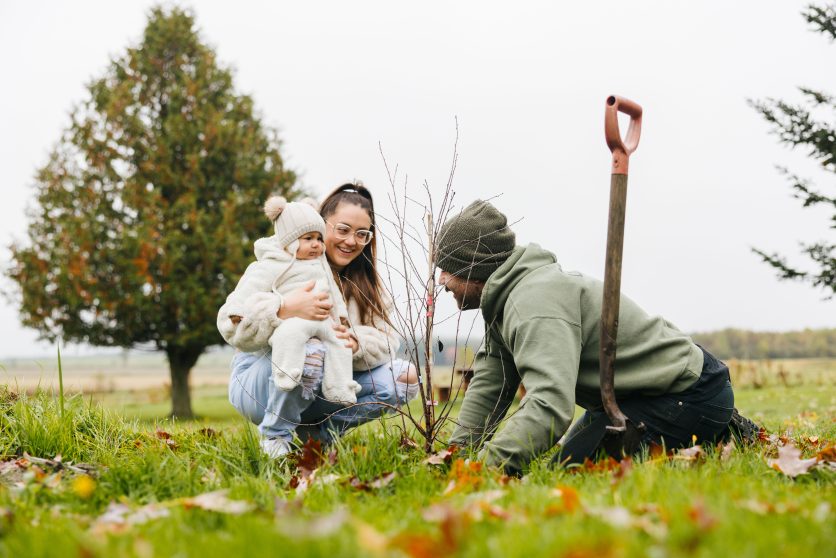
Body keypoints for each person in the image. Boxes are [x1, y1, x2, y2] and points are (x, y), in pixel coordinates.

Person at [436, 199, 746, 475]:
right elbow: (493, 382)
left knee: (569, 471)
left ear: (473, 266)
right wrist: (456, 457)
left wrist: (481, 471)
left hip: (685, 393)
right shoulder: (505, 301)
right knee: (569, 460)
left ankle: (716, 425)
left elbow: (549, 407)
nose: (441, 280)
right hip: (638, 396)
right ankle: (716, 425)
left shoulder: (533, 303)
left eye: (447, 269)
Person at [218, 183, 419, 458]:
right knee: (310, 348)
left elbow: (388, 339)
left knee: (404, 379)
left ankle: (317, 436)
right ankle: (275, 436)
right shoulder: (281, 260)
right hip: (262, 380)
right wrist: (283, 308)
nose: (351, 241)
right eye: (343, 229)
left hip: (326, 378)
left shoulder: (367, 284)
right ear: (321, 223)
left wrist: (356, 343)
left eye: (362, 234)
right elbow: (231, 323)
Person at [220, 195, 360, 406]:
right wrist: (239, 309)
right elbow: (248, 288)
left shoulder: (320, 266)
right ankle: (286, 373)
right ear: (289, 240)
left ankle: (339, 388)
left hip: (323, 323)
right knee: (290, 336)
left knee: (340, 345)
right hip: (293, 322)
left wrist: (341, 318)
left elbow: (334, 295)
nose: (316, 245)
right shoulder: (271, 265)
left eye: (319, 239)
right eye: (308, 238)